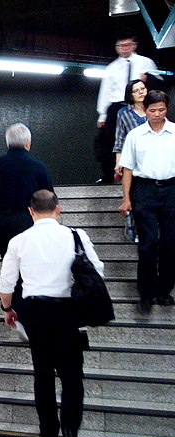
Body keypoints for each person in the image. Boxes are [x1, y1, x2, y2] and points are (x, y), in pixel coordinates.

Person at [0, 190, 104, 437]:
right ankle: (70, 431)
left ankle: (48, 432)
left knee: (42, 374)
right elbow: (97, 271)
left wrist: (8, 309)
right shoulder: (76, 236)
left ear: (30, 211)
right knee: (72, 376)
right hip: (68, 311)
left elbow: (6, 283)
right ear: (58, 208)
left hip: (36, 314)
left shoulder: (19, 241)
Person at [118, 89, 175, 314]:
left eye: (161, 110)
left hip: (171, 190)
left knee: (170, 245)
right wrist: (126, 199)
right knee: (148, 245)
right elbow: (128, 169)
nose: (157, 114)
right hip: (145, 191)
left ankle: (164, 291)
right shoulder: (135, 135)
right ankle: (146, 294)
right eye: (153, 110)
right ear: (145, 110)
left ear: (166, 109)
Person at [0, 123, 54, 257]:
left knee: (8, 257)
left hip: (1, 219)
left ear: (8, 143)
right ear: (28, 143)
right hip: (27, 218)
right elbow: (49, 195)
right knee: (27, 258)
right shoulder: (38, 166)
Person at [95, 32, 156, 184]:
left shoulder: (146, 62)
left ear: (134, 45)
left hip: (141, 104)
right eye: (121, 46)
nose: (124, 49)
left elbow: (158, 82)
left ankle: (146, 173)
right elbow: (106, 91)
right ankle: (110, 175)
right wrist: (102, 115)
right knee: (111, 142)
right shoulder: (112, 67)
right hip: (117, 106)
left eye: (127, 45)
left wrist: (149, 80)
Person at [113, 79, 148, 177]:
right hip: (134, 158)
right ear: (130, 95)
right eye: (136, 90)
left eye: (143, 88)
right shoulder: (123, 113)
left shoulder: (154, 110)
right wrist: (118, 161)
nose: (141, 92)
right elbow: (120, 140)